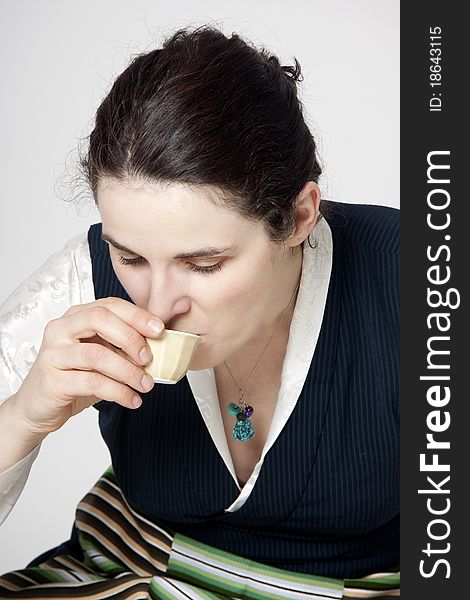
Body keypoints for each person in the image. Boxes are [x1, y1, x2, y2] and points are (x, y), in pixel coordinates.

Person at [0, 25, 399, 599]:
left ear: (298, 218)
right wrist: (23, 418)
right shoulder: (83, 279)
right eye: (130, 255)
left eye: (205, 263)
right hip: (129, 574)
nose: (158, 306)